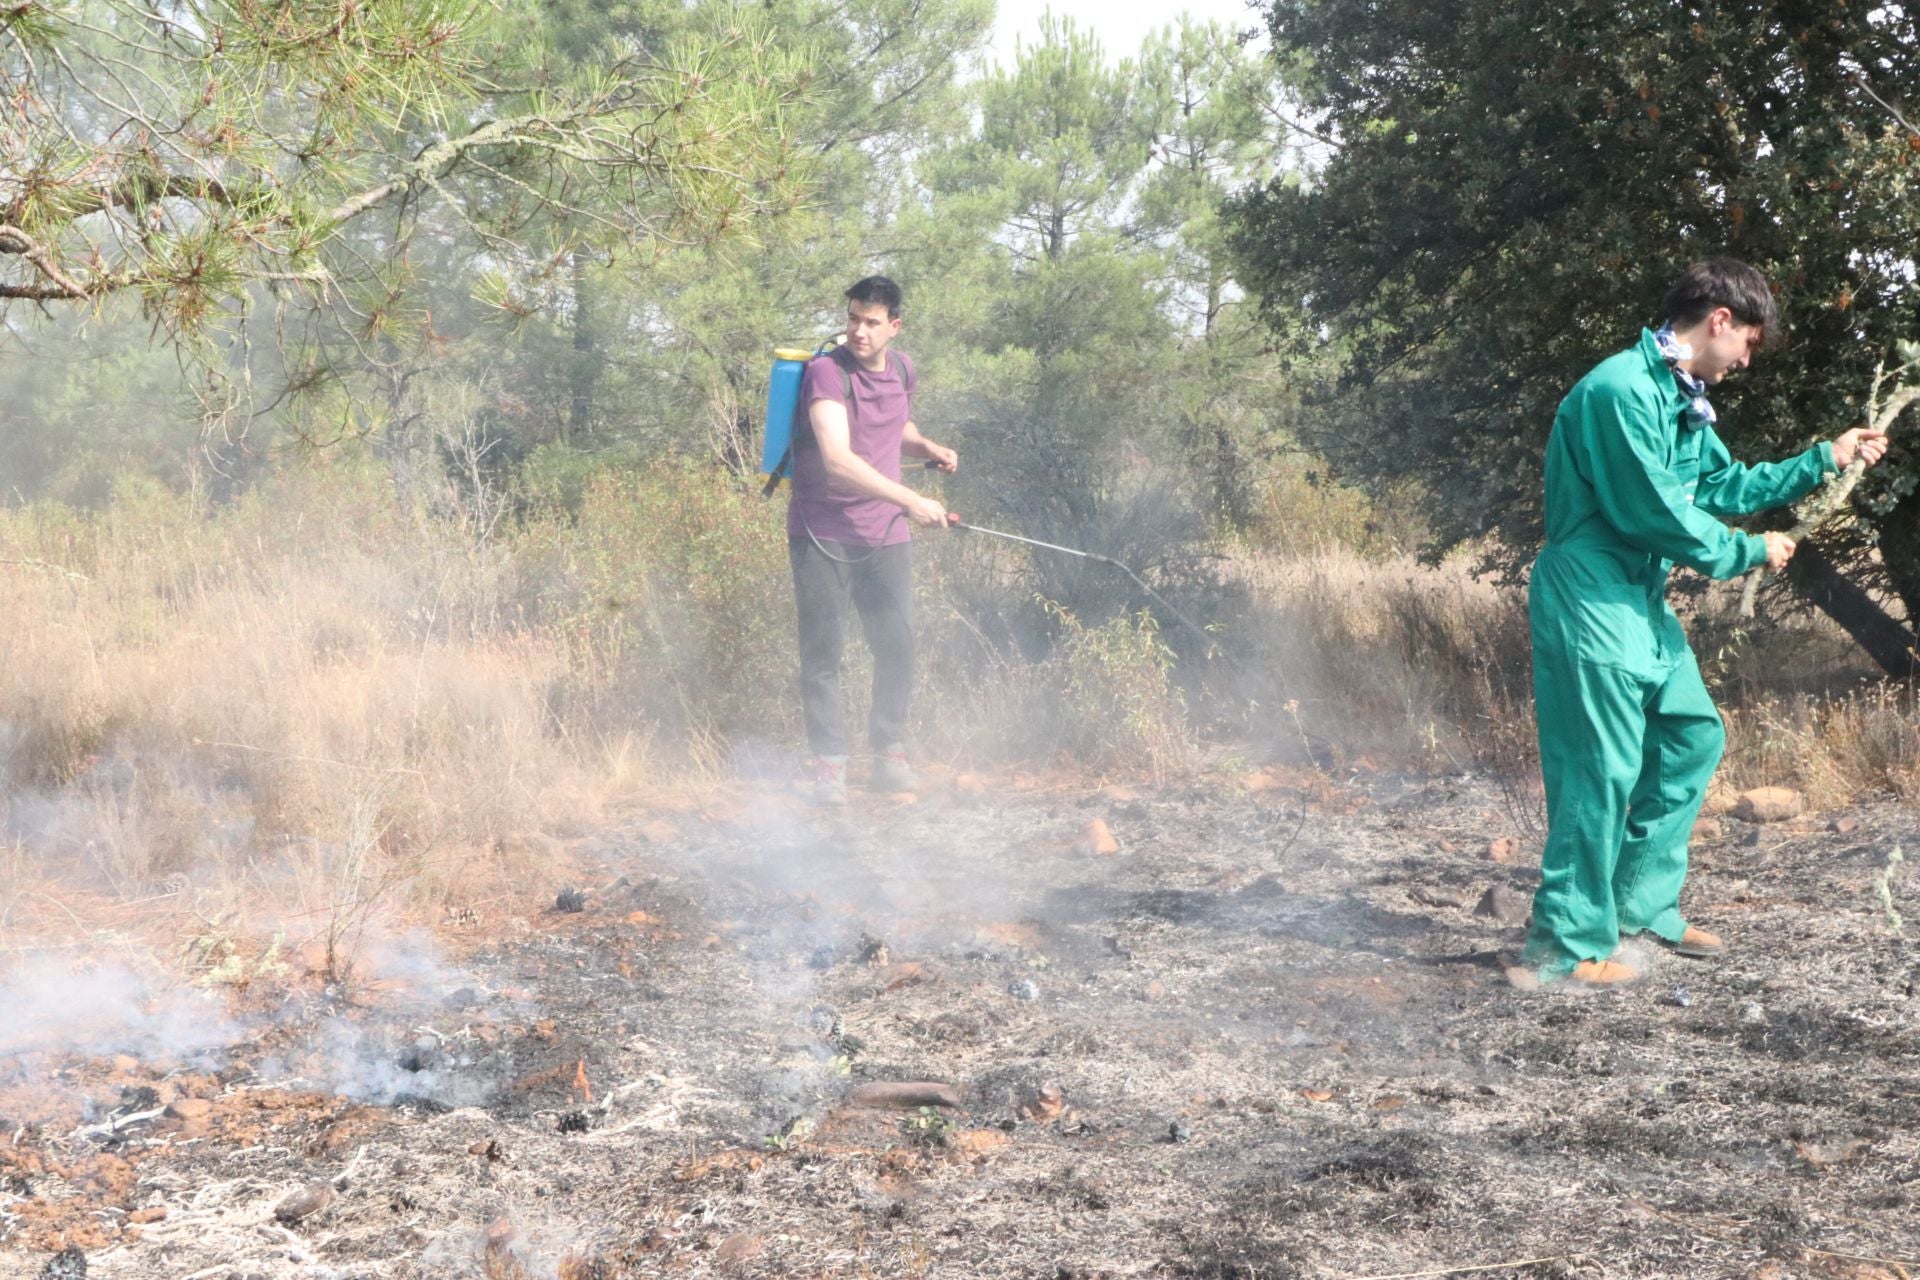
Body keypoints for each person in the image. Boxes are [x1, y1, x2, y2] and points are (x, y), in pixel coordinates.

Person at [1524, 258, 1889, 986]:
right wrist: (1748, 550)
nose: (1747, 359)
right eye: (1749, 342)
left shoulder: (1677, 393)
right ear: (1719, 319)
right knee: (1598, 769)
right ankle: (1562, 949)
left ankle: (1637, 907)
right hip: (1591, 597)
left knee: (1693, 736)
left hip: (1638, 598)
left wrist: (1825, 459)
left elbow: (1719, 482)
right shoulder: (1620, 389)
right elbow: (1651, 511)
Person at [787, 275, 959, 805]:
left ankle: (889, 755)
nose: (859, 332)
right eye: (853, 319)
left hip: (885, 535)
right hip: (823, 532)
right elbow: (838, 462)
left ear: (894, 327)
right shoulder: (825, 373)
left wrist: (929, 447)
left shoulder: (902, 369)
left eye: (871, 322)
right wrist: (910, 500)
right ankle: (828, 766)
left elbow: (894, 429)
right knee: (824, 652)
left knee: (897, 645)